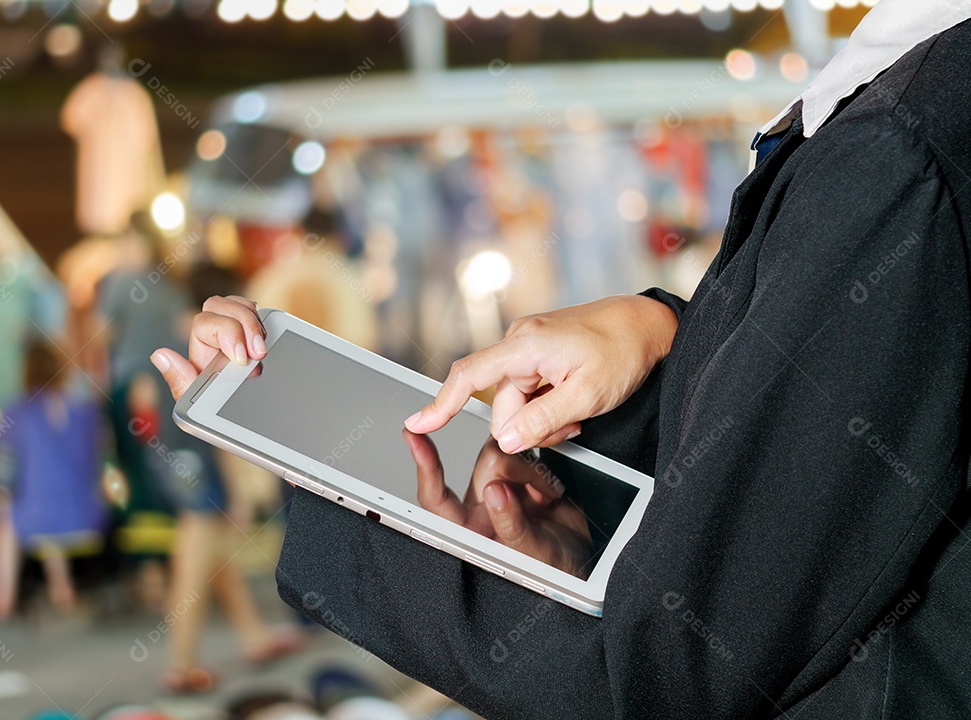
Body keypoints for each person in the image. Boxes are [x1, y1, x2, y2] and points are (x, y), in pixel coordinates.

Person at [152, 3, 971, 717]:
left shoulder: (898, 150)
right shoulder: (916, 107)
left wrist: (346, 497)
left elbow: (675, 673)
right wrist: (664, 337)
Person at [98, 214, 302, 693]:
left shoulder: (150, 298)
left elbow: (125, 368)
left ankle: (252, 634)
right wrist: (234, 492)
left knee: (208, 537)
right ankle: (181, 662)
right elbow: (214, 429)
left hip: (159, 434)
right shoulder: (162, 302)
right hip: (185, 441)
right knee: (199, 532)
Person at [0, 341, 108, 618]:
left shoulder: (16, 413)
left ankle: (2, 597)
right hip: (88, 517)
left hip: (40, 519)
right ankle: (61, 587)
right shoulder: (86, 410)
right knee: (49, 500)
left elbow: (2, 479)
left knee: (7, 516)